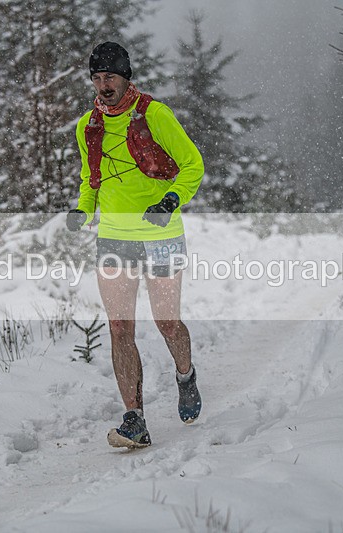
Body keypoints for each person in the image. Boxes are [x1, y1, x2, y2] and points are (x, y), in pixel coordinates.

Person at [65, 42, 205, 449]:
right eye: (96, 78)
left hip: (161, 235)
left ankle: (185, 375)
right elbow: (90, 179)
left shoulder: (155, 115)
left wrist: (170, 201)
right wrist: (82, 210)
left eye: (110, 76)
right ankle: (135, 419)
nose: (103, 85)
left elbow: (193, 165)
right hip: (114, 237)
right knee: (120, 328)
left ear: (126, 77)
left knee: (167, 322)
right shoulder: (87, 126)